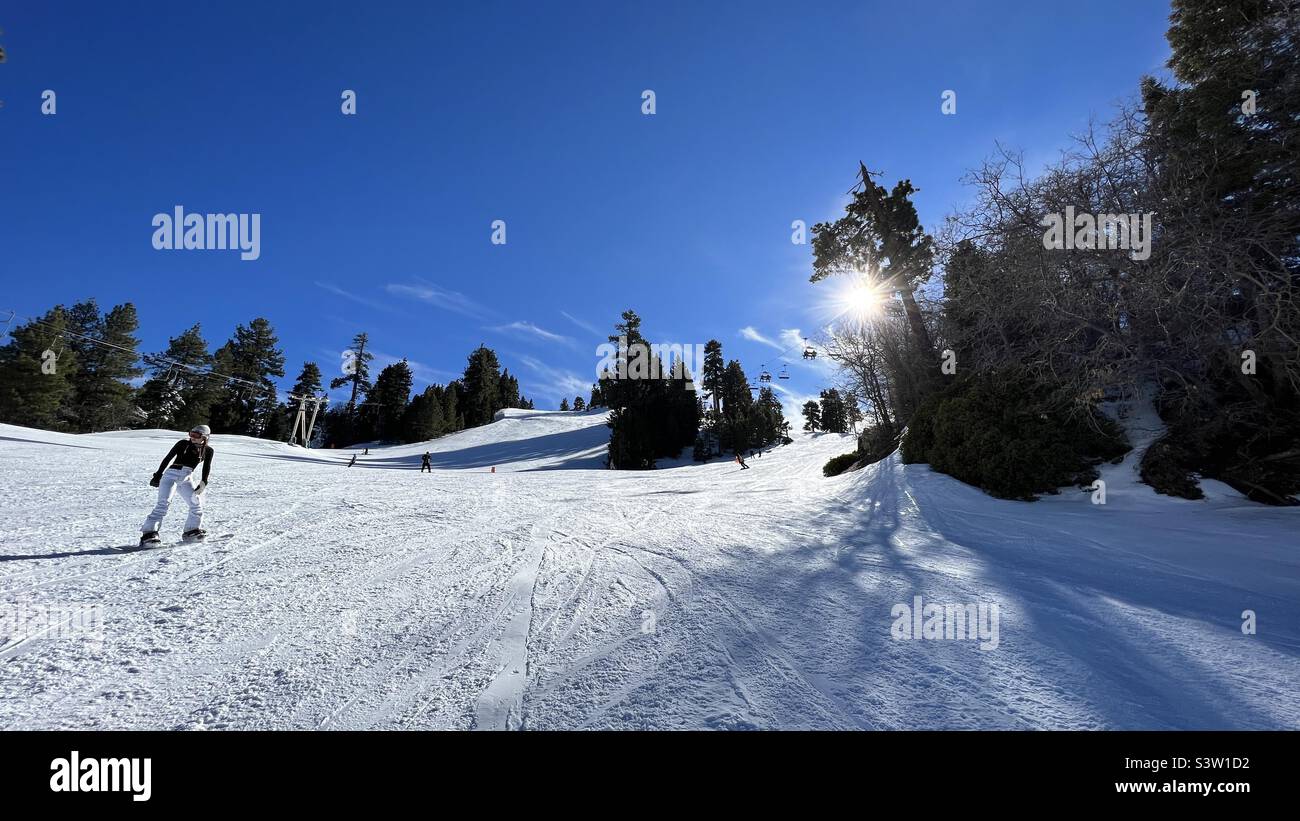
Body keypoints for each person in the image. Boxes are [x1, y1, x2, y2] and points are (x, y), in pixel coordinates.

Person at [140, 424, 213, 546]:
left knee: (196, 504)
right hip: (171, 475)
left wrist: (203, 482)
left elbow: (207, 468)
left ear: (205, 437)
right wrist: (158, 475)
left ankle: (191, 530)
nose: (192, 437)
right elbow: (167, 458)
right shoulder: (183, 444)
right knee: (163, 504)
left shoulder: (208, 450)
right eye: (191, 434)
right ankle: (149, 534)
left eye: (196, 435)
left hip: (187, 477)